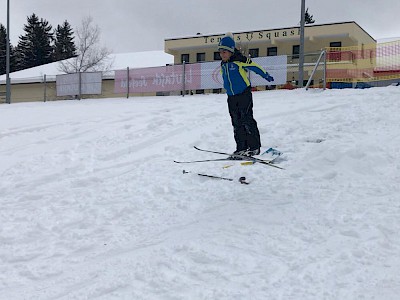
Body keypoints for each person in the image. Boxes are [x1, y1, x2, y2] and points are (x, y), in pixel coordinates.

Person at [218, 32, 274, 156]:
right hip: (231, 97)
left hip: (244, 95)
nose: (222, 54)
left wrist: (266, 75)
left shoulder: (240, 60)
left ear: (231, 51)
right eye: (220, 52)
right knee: (236, 122)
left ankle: (254, 147)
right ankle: (241, 147)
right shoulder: (223, 64)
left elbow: (255, 67)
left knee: (246, 119)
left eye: (224, 52)